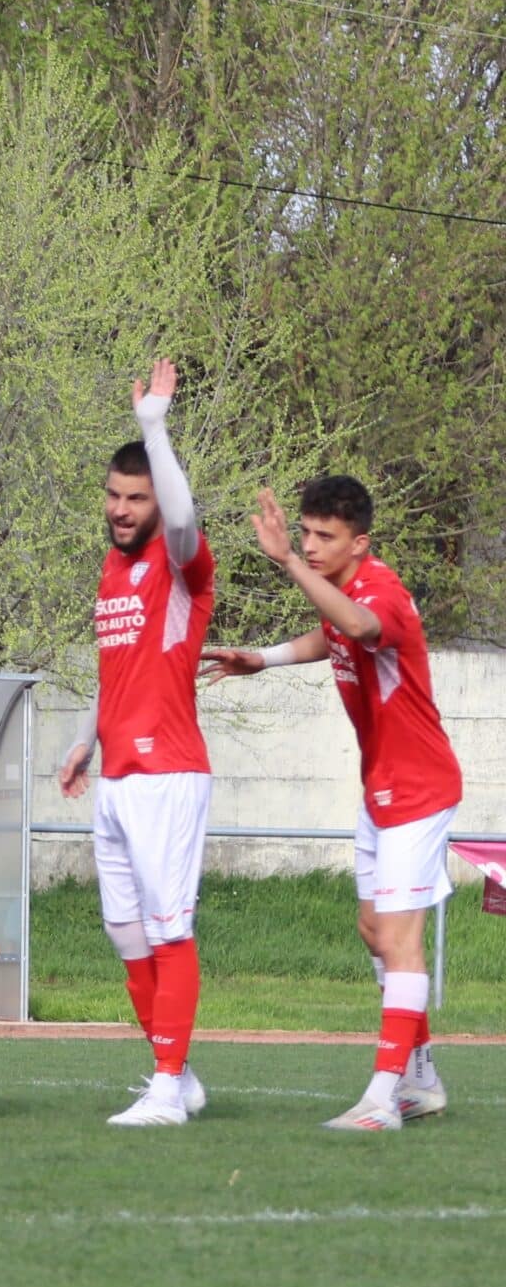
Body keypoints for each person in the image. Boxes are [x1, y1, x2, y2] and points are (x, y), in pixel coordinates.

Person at [202, 476, 462, 1131]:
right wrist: (264, 658)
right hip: (382, 787)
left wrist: (289, 560)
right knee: (374, 931)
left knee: (399, 940)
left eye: (326, 536)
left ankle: (382, 1099)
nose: (313, 545)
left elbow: (359, 624)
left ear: (360, 542)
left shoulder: (381, 592)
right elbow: (333, 633)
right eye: (307, 533)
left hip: (419, 789)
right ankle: (422, 1079)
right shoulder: (339, 587)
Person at [54, 360, 215, 1127]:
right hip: (118, 774)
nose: (121, 510)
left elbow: (183, 519)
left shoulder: (182, 564)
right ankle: (177, 1074)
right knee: (125, 931)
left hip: (168, 772)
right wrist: (84, 740)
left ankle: (167, 1087)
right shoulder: (113, 570)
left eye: (136, 497)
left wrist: (155, 427)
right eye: (114, 495)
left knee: (168, 927)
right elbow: (115, 669)